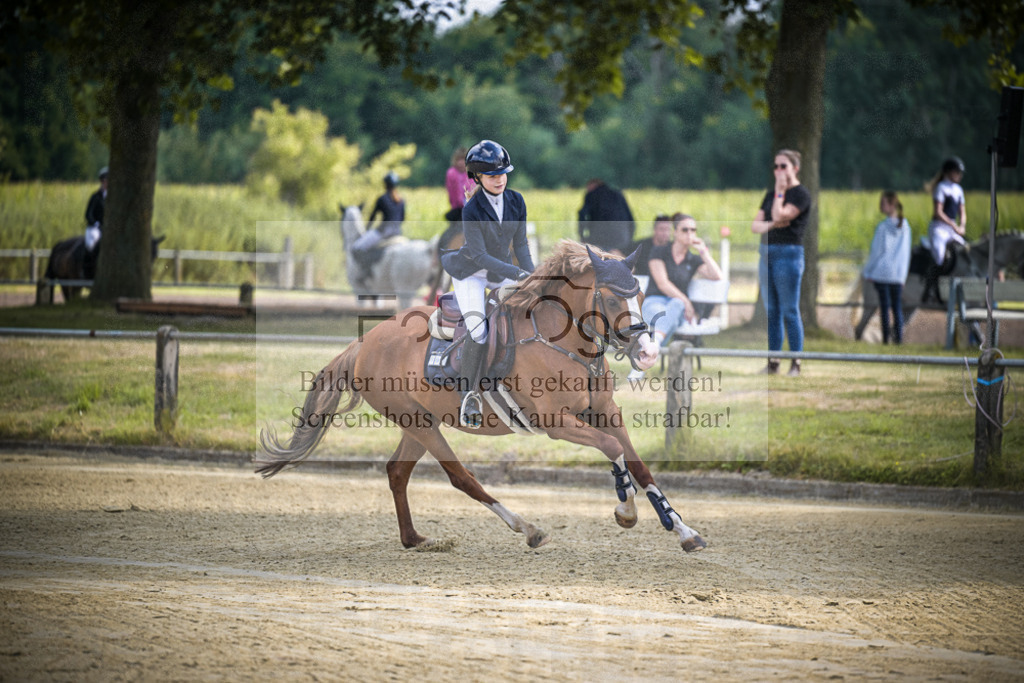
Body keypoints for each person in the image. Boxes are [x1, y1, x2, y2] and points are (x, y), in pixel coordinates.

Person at [441, 140, 534, 429]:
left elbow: (521, 244)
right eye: (492, 175)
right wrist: (516, 273)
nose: (499, 179)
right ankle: (468, 396)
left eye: (503, 173)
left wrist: (532, 276)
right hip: (471, 272)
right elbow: (480, 256)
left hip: (500, 270)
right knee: (479, 330)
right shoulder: (472, 209)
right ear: (478, 177)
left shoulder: (517, 201)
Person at [632, 214, 724, 381]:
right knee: (670, 314)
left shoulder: (692, 259)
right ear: (675, 232)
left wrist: (703, 251)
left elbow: (717, 275)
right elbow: (663, 284)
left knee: (676, 305)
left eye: (693, 230)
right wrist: (687, 301)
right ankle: (650, 352)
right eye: (685, 230)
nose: (690, 233)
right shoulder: (659, 252)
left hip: (676, 307)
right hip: (654, 302)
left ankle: (648, 352)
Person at [751, 149, 812, 376]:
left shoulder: (800, 195)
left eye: (783, 166)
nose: (778, 170)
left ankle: (796, 362)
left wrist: (780, 192)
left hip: (788, 254)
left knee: (789, 310)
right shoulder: (769, 195)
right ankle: (773, 362)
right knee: (772, 311)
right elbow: (755, 226)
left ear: (795, 168)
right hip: (766, 253)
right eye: (776, 166)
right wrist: (771, 225)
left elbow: (778, 215)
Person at [863, 191, 912, 345]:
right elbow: (906, 254)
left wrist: (868, 271)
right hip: (897, 274)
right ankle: (898, 339)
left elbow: (876, 252)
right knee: (897, 307)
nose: (881, 206)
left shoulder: (882, 227)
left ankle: (885, 340)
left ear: (891, 205)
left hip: (882, 273)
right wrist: (903, 276)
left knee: (884, 308)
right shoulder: (905, 227)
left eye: (883, 203)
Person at [352, 171, 406, 271]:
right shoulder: (401, 201)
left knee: (357, 248)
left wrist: (366, 230)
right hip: (397, 232)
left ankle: (366, 270)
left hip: (383, 232)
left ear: (385, 184)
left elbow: (372, 217)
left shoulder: (382, 199)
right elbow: (402, 219)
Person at [578, 179, 635, 256]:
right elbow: (631, 220)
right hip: (623, 240)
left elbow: (582, 215)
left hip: (600, 241)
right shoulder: (618, 194)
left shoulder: (591, 195)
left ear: (593, 186)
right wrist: (629, 239)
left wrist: (582, 237)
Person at [439, 147, 476, 250]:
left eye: (463, 160)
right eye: (459, 159)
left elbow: (473, 189)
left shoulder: (470, 174)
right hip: (458, 209)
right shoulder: (452, 173)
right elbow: (455, 194)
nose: (461, 163)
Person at [83, 166, 108, 278]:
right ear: (102, 181)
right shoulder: (96, 197)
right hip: (95, 228)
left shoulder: (112, 198)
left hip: (107, 229)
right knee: (92, 244)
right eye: (106, 180)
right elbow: (88, 214)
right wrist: (96, 224)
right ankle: (87, 268)